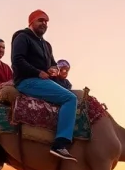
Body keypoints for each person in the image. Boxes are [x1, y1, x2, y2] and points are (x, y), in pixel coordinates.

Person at [11, 9, 78, 161]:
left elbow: (53, 64)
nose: (44, 24)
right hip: (28, 81)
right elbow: (18, 60)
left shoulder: (46, 45)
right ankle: (60, 144)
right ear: (31, 22)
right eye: (40, 20)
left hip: (43, 81)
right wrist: (38, 72)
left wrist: (53, 69)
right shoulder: (22, 37)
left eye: (46, 22)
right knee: (70, 99)